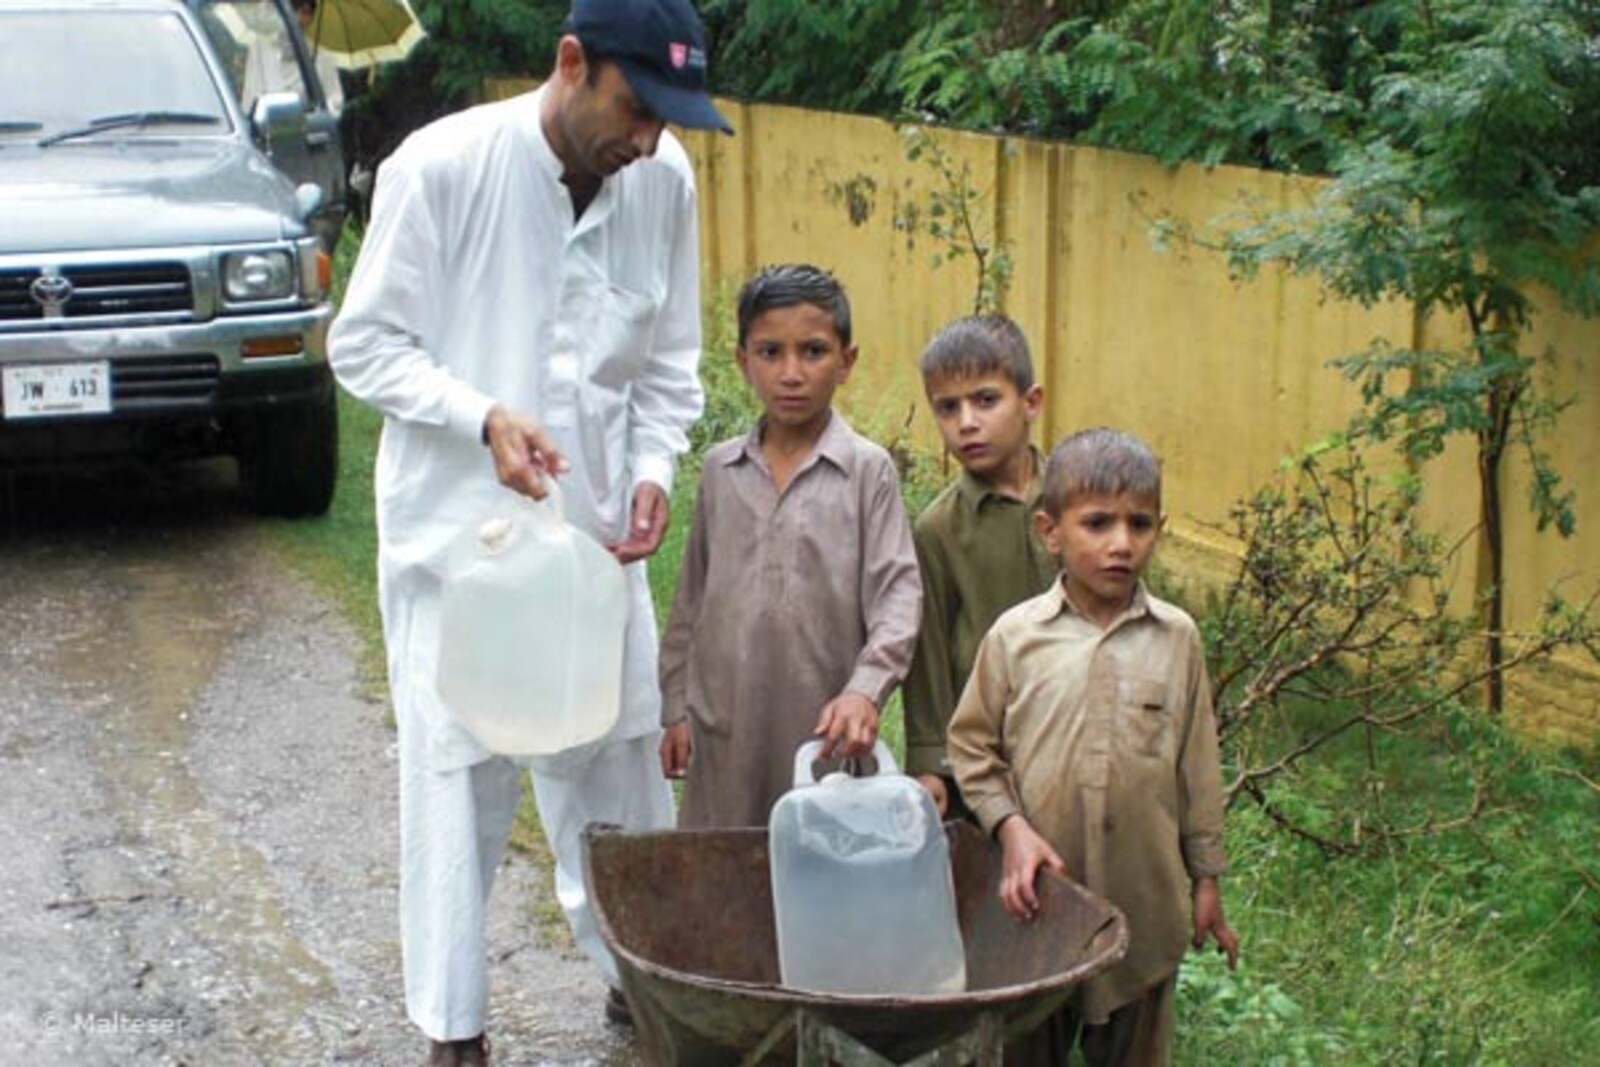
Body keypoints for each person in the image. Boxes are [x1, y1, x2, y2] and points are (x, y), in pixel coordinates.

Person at [326, 0, 732, 1060]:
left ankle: (639, 981)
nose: (645, 139)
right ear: (570, 62)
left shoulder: (665, 180)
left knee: (620, 764)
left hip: (593, 541)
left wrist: (651, 469)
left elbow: (669, 366)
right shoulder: (441, 167)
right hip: (457, 549)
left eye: (666, 118)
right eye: (635, 106)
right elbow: (362, 346)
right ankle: (453, 1029)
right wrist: (480, 415)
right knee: (458, 786)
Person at [947, 428, 1240, 1066]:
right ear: (1051, 531)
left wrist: (1207, 879)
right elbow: (972, 749)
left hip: (1145, 908)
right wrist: (1011, 829)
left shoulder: (1176, 639)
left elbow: (1198, 767)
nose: (1121, 544)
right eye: (1098, 523)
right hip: (1038, 911)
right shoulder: (1016, 638)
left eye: (1139, 524)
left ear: (1159, 528)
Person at [657, 264, 923, 828]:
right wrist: (674, 707)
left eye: (814, 351)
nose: (792, 373)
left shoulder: (865, 472)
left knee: (815, 872)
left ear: (847, 362)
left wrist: (865, 691)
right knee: (721, 871)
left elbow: (898, 597)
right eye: (771, 352)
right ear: (743, 361)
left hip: (822, 729)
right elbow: (691, 599)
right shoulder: (720, 470)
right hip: (722, 725)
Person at [902, 314, 1057, 820]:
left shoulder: (1079, 502)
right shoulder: (938, 530)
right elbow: (928, 658)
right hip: (988, 759)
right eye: (948, 407)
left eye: (986, 400)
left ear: (1030, 402)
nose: (967, 422)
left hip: (1078, 735)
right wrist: (931, 763)